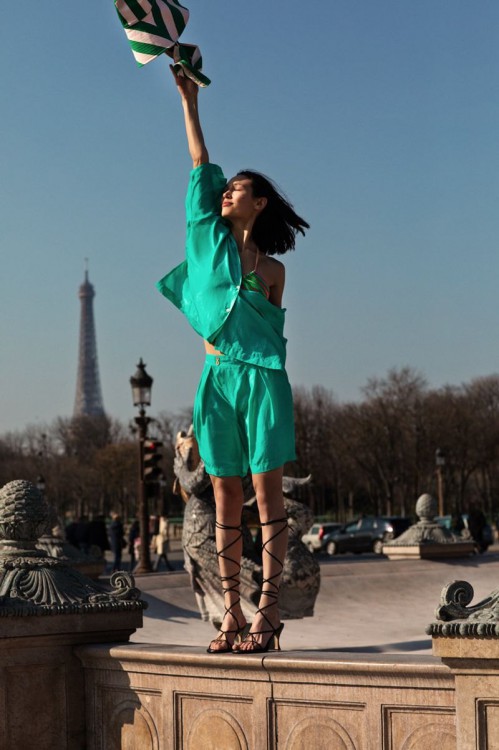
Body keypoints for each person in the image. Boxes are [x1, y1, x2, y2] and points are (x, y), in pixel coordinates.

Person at [157, 69, 309, 654]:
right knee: (223, 496)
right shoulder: (206, 241)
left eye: (239, 188)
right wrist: (189, 101)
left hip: (262, 381)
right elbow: (200, 163)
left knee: (267, 498)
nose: (227, 192)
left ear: (259, 202)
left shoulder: (273, 271)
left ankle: (268, 610)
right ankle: (231, 613)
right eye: (226, 188)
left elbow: (268, 336)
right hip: (215, 378)